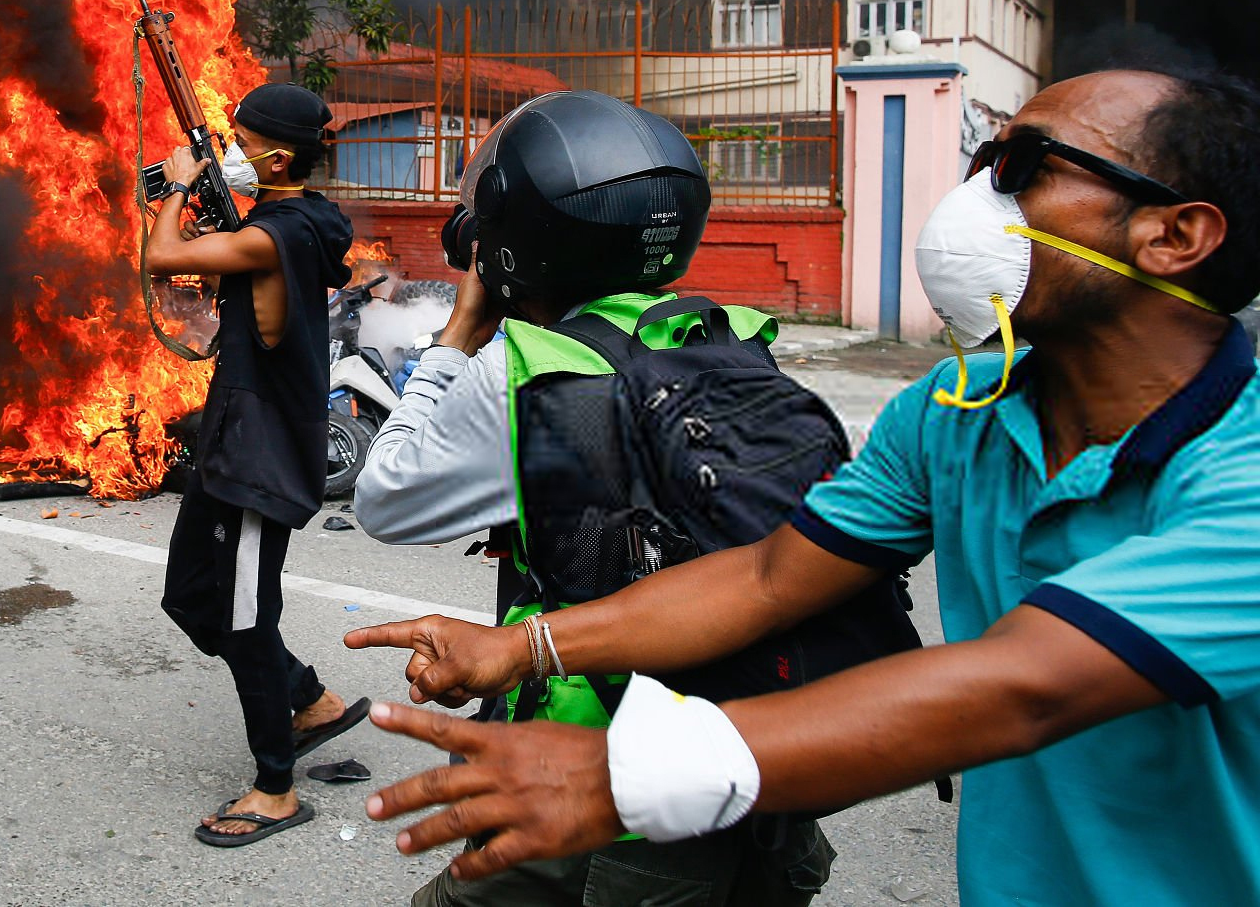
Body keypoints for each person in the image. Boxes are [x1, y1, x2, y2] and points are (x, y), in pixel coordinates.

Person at [349, 67, 1260, 907]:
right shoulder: (953, 412)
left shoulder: (1244, 471)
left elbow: (1027, 685)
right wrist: (522, 648)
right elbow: (767, 578)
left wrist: (614, 777)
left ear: (1175, 235)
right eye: (982, 158)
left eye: (1021, 167)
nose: (976, 197)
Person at [351, 89, 832, 906]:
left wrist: (456, 341)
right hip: (744, 760)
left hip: (598, 783)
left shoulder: (530, 373)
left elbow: (384, 496)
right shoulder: (725, 336)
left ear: (511, 240)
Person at [143, 83, 370, 846]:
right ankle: (308, 699)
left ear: (277, 156)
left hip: (259, 454)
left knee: (244, 614)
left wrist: (177, 186)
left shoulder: (275, 233)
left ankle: (275, 786)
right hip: (236, 438)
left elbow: (162, 255)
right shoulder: (293, 223)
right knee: (189, 595)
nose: (229, 151)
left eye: (241, 140)